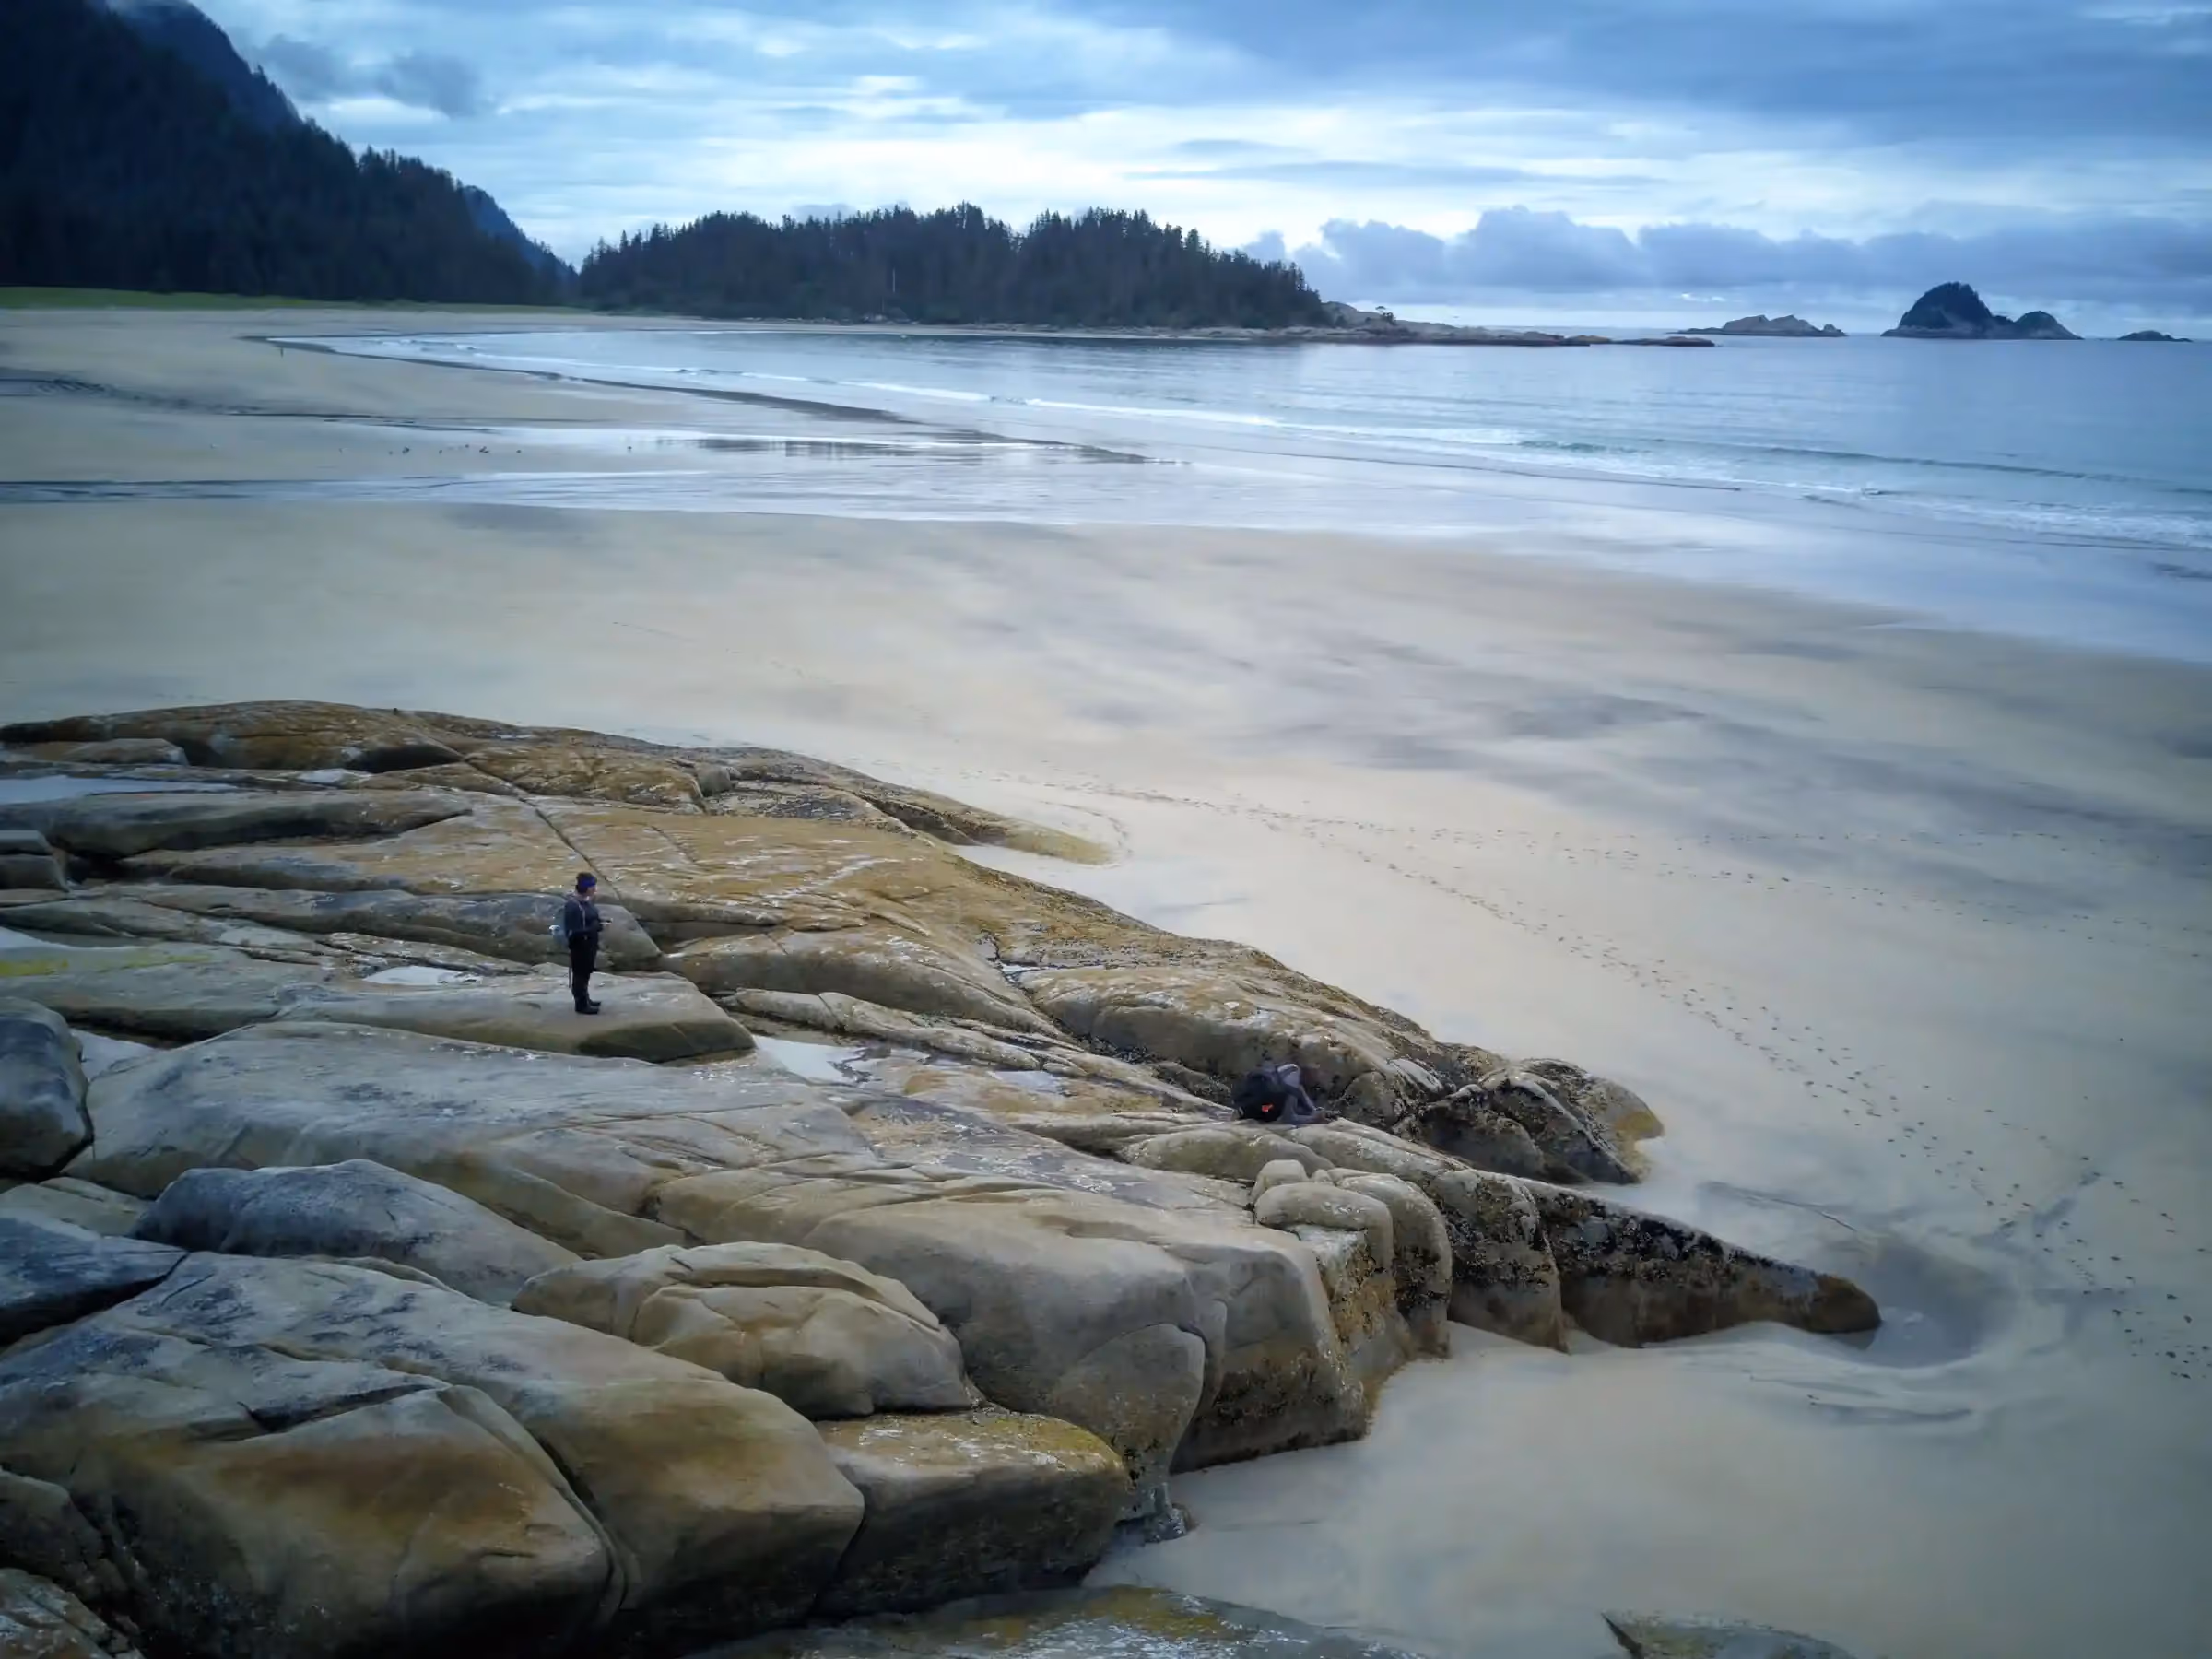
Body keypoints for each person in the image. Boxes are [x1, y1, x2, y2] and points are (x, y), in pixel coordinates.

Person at [559, 873, 605, 1015]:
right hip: (580, 946)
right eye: (592, 886)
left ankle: (586, 999)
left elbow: (591, 918)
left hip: (589, 944)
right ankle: (581, 1004)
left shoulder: (585, 902)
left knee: (586, 973)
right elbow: (573, 931)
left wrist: (600, 924)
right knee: (580, 974)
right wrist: (594, 928)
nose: (595, 889)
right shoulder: (573, 906)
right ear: (586, 887)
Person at [1231, 1060, 1324, 1126]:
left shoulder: (1260, 1080)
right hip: (1267, 1107)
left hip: (1257, 1106)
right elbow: (1289, 1119)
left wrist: (1313, 1110)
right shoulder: (1285, 1092)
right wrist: (1315, 1118)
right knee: (1294, 1071)